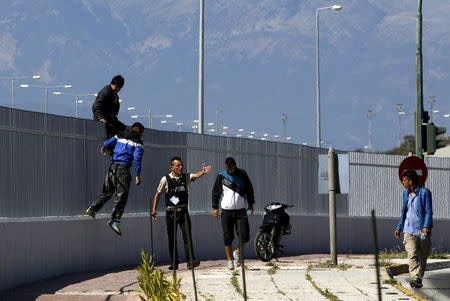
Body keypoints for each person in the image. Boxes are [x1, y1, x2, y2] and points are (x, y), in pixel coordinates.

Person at [85, 122, 145, 236]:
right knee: (121, 196)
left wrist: (104, 147)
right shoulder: (138, 143)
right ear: (140, 132)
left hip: (112, 167)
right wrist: (137, 175)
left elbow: (108, 142)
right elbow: (137, 159)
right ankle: (115, 221)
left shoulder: (120, 135)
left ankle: (92, 208)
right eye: (142, 133)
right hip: (123, 169)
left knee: (106, 192)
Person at [152, 157, 211, 270]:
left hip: (183, 212)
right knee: (172, 238)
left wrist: (203, 172)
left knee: (187, 236)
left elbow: (196, 175)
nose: (181, 167)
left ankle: (190, 261)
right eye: (178, 165)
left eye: (181, 165)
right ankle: (174, 263)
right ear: (172, 167)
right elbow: (158, 194)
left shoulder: (185, 177)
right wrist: (154, 209)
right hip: (171, 213)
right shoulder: (166, 179)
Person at [212, 157, 254, 270]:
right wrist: (215, 207)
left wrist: (251, 203)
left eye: (233, 168)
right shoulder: (221, 176)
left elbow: (249, 189)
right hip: (226, 211)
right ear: (226, 167)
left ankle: (237, 252)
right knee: (228, 236)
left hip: (241, 210)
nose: (231, 170)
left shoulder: (242, 174)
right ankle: (230, 260)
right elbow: (215, 192)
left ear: (235, 166)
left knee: (245, 236)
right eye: (229, 169)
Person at [394, 170, 433, 288]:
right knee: (412, 254)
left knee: (422, 255)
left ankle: (418, 278)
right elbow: (404, 212)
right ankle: (415, 277)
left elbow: (428, 211)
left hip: (422, 230)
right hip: (408, 230)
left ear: (410, 181)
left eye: (404, 180)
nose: (402, 182)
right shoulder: (405, 194)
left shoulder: (425, 192)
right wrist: (399, 227)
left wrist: (426, 226)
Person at [92, 75, 127, 141]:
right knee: (110, 137)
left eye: (120, 88)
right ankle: (108, 149)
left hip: (110, 119)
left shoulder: (113, 93)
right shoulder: (105, 93)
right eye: (116, 87)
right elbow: (96, 106)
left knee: (124, 130)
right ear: (112, 84)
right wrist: (101, 118)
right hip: (103, 120)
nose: (118, 89)